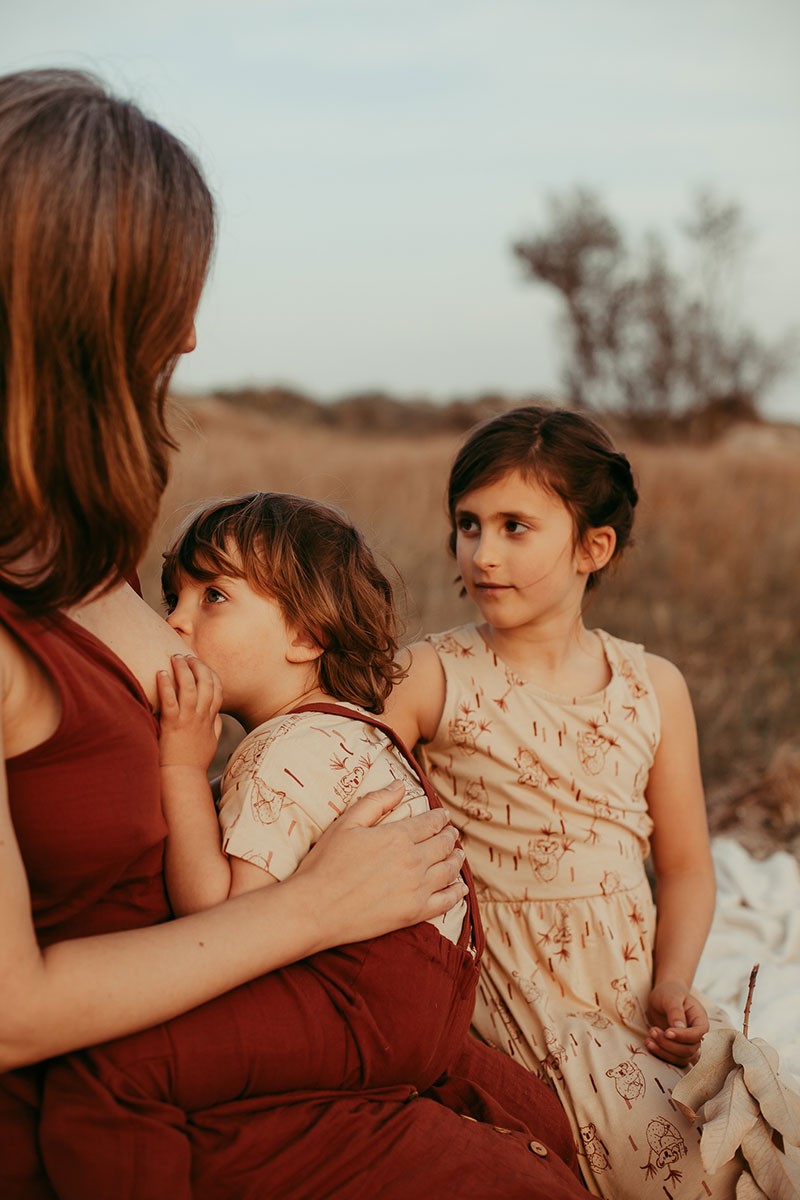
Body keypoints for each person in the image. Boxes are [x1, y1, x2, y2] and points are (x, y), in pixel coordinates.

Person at [0, 69, 588, 1198]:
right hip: (141, 1109)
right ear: (81, 318)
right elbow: (14, 1012)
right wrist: (313, 906)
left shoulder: (90, 565)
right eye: (163, 294)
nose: (189, 328)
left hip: (259, 1041)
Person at [383, 405, 742, 1199]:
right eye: (468, 525)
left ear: (593, 546)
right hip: (508, 993)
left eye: (516, 526)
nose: (483, 552)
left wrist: (674, 981)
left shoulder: (655, 688)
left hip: (630, 988)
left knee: (735, 1135)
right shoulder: (432, 676)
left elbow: (685, 868)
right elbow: (343, 761)